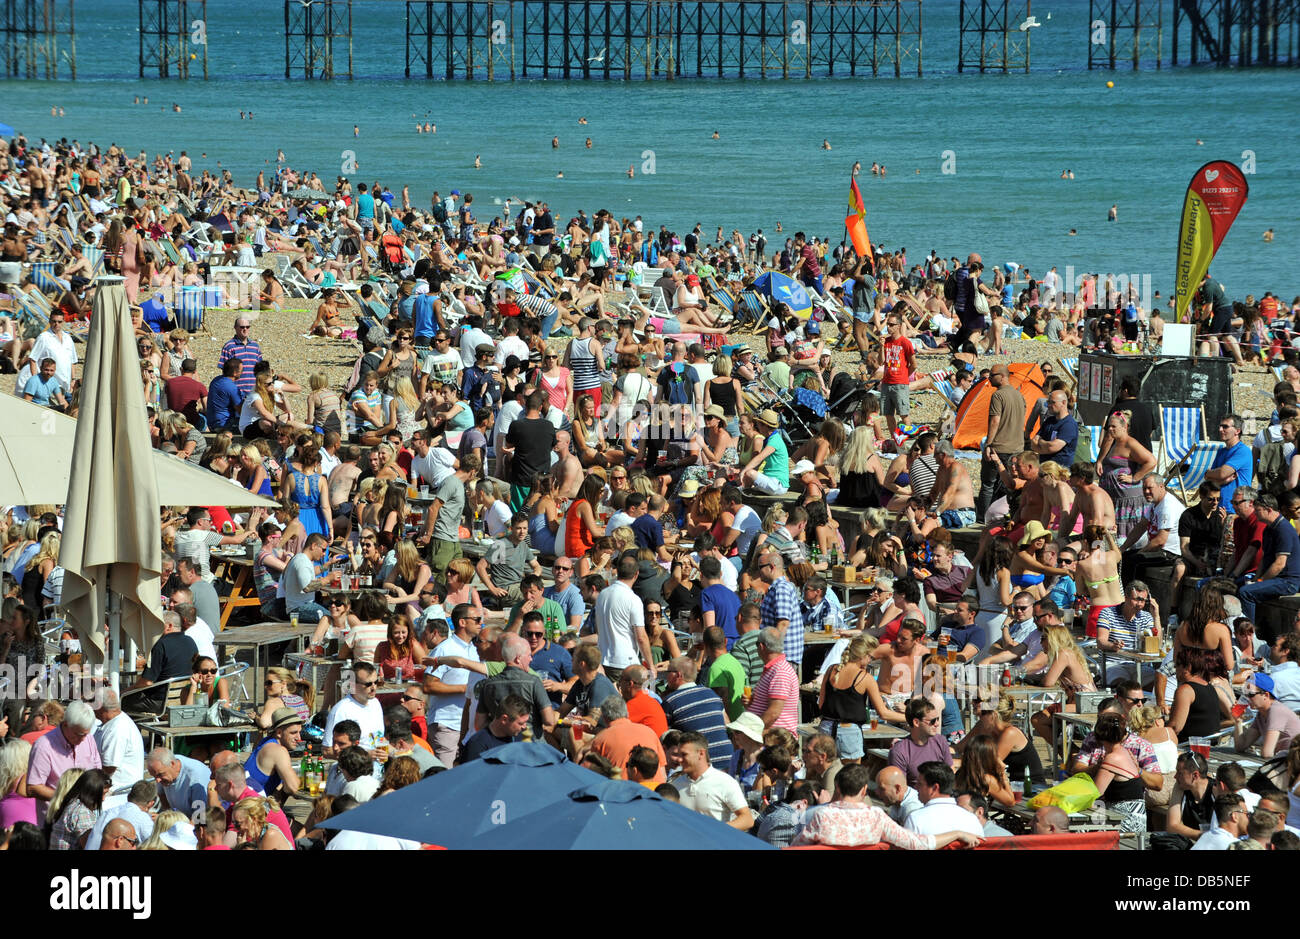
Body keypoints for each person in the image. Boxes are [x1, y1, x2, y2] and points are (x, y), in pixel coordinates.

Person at [791, 763, 980, 849]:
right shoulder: (876, 816)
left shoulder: (822, 815)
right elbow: (919, 843)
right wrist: (957, 833)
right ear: (864, 790)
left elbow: (795, 846)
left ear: (837, 787)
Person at [671, 731, 753, 829]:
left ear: (701, 753)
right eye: (679, 755)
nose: (679, 760)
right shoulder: (675, 785)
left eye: (684, 755)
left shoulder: (725, 782)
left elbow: (747, 819)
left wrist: (717, 830)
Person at [1238, 494, 1300, 624]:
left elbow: (1279, 564)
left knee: (1245, 592)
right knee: (1235, 583)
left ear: (1269, 509)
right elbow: (1265, 559)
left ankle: (1248, 633)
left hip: (1288, 581)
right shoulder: (1268, 529)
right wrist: (1256, 579)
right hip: (1276, 578)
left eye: (1257, 510)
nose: (1254, 513)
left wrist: (1260, 580)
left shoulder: (1284, 530)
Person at [590, 694, 666, 782]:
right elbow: (662, 770)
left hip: (623, 791)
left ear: (604, 717)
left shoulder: (601, 738)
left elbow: (594, 774)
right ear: (627, 713)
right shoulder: (649, 731)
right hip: (657, 790)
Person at [905, 761, 986, 836]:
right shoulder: (972, 820)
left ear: (934, 788)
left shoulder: (916, 819)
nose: (915, 787)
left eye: (920, 784)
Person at [1234, 674, 1300, 758]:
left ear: (1266, 695)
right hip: (1286, 761)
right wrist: (1238, 721)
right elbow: (1241, 746)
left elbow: (1267, 753)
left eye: (1250, 694)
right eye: (1244, 694)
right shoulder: (1261, 713)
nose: (1247, 698)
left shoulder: (1276, 711)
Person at [747, 627, 799, 731]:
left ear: (761, 646)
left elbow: (773, 713)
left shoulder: (780, 671)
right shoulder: (774, 669)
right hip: (770, 737)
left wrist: (750, 732)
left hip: (775, 740)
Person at [461, 694, 530, 762]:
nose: (524, 727)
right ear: (504, 719)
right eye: (521, 723)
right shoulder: (477, 745)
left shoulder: (520, 737)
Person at [144, 746, 210, 815]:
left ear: (172, 764)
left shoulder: (196, 778)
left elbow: (200, 818)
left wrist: (167, 821)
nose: (157, 780)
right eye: (154, 776)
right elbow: (162, 795)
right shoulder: (162, 767)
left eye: (160, 774)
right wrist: (167, 816)